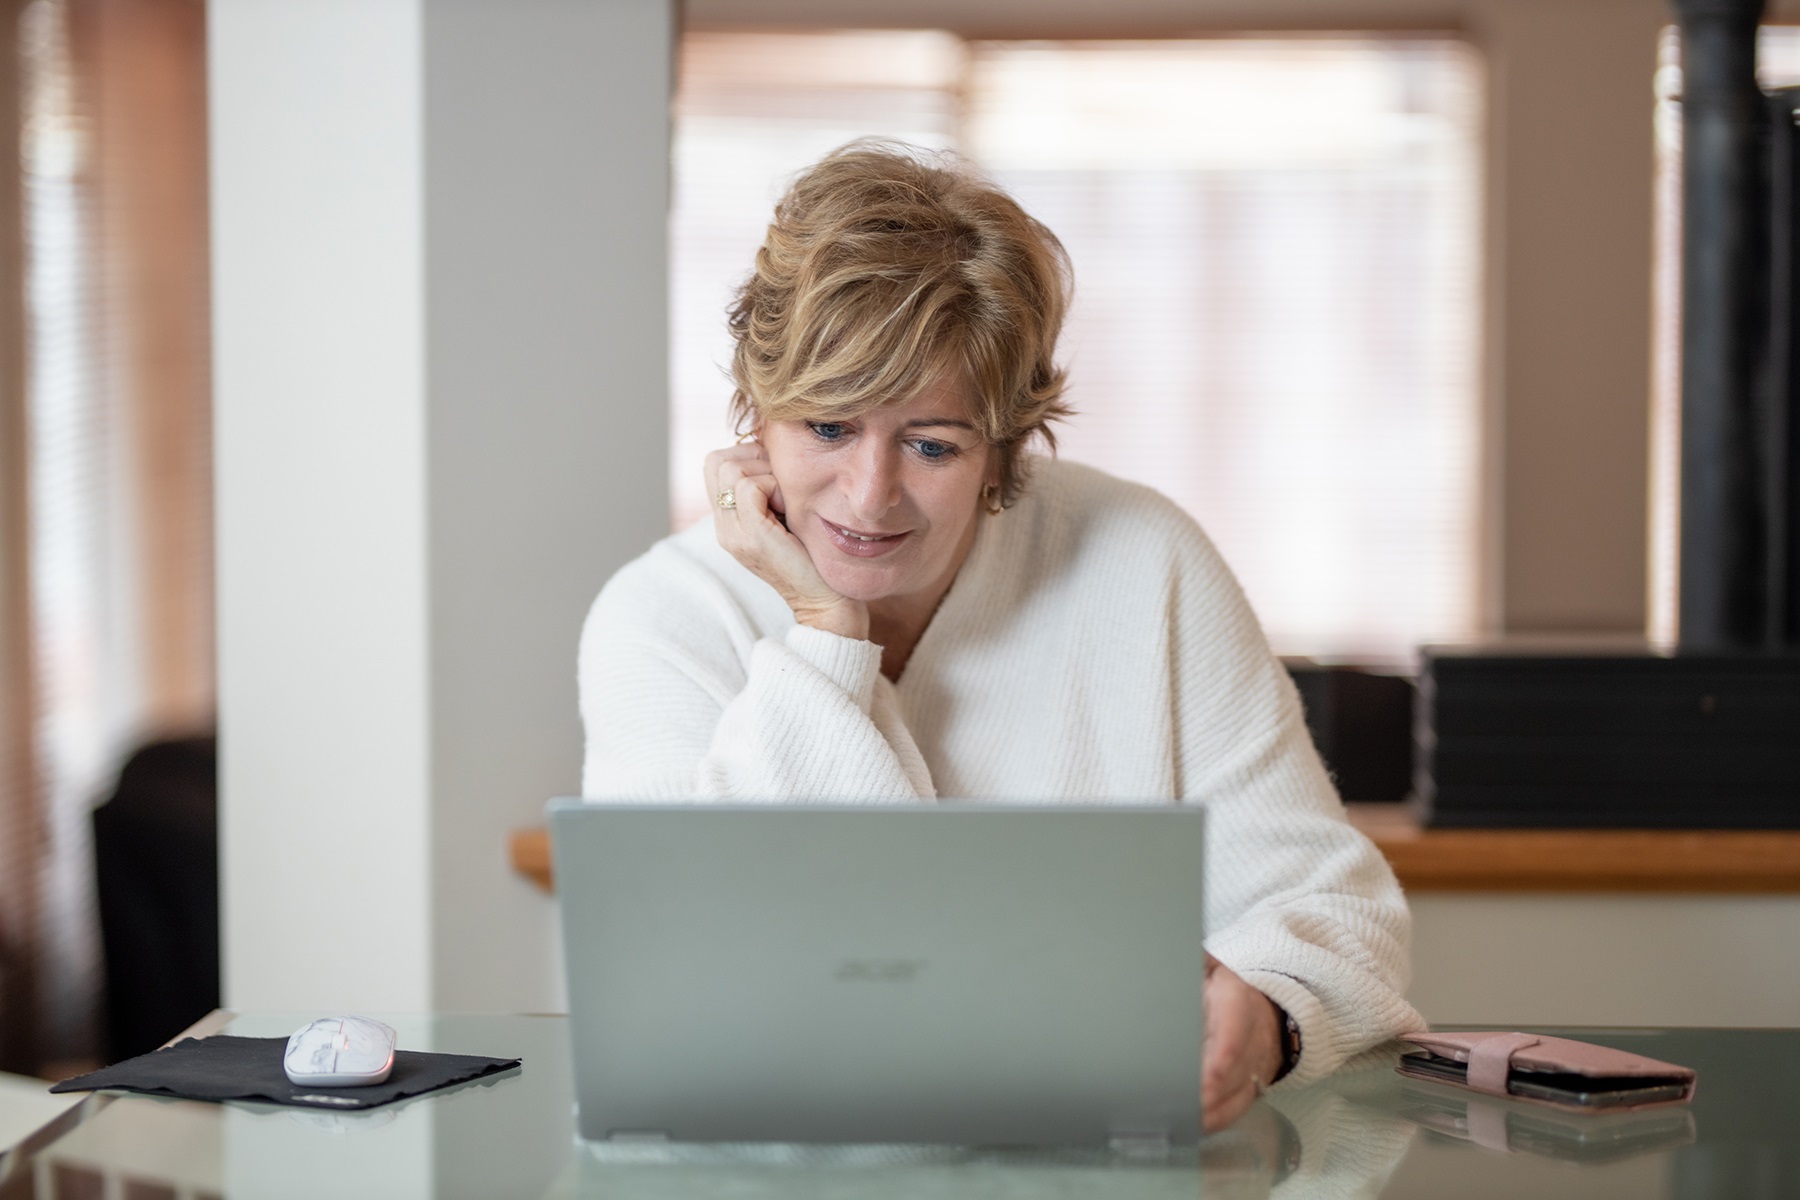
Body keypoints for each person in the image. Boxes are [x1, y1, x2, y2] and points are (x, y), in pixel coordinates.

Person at [579, 141, 1424, 1131]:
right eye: (828, 428)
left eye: (932, 443)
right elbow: (702, 989)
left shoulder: (1144, 563)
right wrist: (826, 636)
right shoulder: (662, 619)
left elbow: (1339, 916)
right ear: (755, 419)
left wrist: (1271, 1020)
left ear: (1003, 447)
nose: (870, 494)